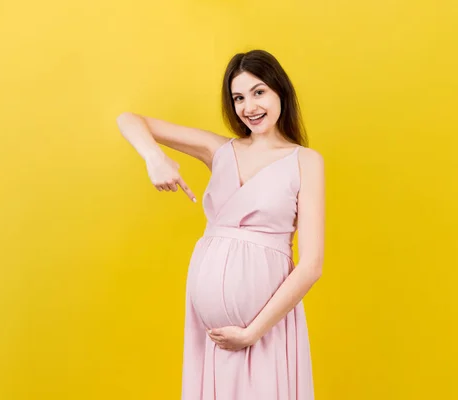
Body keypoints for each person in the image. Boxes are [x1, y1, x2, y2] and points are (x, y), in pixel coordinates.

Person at [116, 49, 325, 399]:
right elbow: (128, 119)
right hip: (208, 333)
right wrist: (155, 157)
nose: (249, 107)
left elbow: (312, 265)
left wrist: (253, 331)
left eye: (258, 92)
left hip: (266, 327)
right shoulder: (218, 150)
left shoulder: (304, 161)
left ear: (280, 92)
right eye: (238, 97)